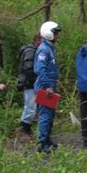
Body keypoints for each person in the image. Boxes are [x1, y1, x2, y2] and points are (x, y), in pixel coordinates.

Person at [34, 21, 61, 153]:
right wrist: (47, 87)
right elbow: (40, 69)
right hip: (45, 87)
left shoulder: (50, 47)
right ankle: (42, 143)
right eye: (56, 33)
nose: (58, 35)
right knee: (45, 115)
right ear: (49, 34)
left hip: (50, 85)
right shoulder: (44, 49)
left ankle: (47, 139)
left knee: (50, 115)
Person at [17, 33, 42, 136]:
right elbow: (28, 68)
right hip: (30, 83)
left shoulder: (32, 50)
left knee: (34, 106)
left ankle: (27, 128)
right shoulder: (31, 51)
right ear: (38, 40)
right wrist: (38, 77)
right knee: (30, 107)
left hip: (33, 82)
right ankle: (24, 129)